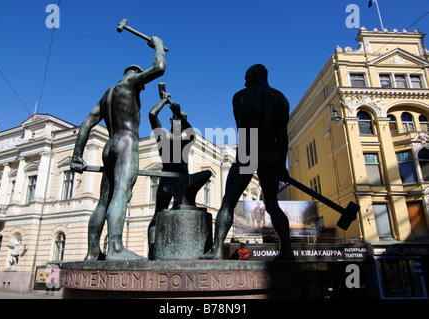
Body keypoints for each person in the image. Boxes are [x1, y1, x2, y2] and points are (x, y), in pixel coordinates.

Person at [70, 36, 166, 261]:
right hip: (126, 142)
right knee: (122, 193)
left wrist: (77, 155)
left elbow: (86, 124)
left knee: (104, 199)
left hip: (109, 145)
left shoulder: (106, 96)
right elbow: (159, 67)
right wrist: (158, 45)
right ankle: (115, 247)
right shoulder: (132, 85)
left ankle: (93, 252)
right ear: (138, 79)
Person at [201, 64, 294, 261]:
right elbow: (282, 136)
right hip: (270, 153)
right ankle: (287, 250)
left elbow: (242, 130)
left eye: (246, 77)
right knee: (272, 204)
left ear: (254, 75)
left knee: (229, 200)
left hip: (248, 150)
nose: (244, 82)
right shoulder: (281, 99)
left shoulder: (239, 97)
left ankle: (217, 250)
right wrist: (282, 165)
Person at [147, 96, 196, 259]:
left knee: (168, 215)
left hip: (173, 180)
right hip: (173, 180)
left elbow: (153, 114)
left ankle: (160, 251)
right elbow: (152, 115)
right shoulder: (168, 139)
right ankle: (153, 250)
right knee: (160, 215)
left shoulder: (182, 140)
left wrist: (172, 109)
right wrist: (166, 100)